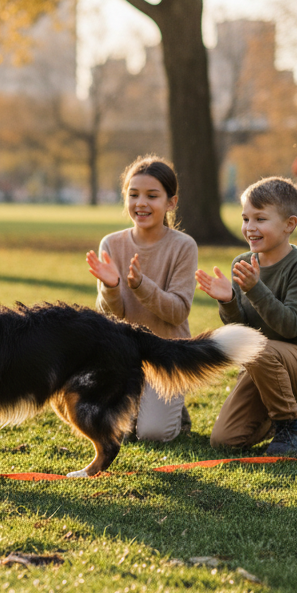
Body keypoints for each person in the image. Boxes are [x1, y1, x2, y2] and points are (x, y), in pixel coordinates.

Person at [195, 176, 297, 455]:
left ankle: (290, 428)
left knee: (258, 350)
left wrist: (255, 289)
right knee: (225, 440)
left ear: (289, 225)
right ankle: (296, 413)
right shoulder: (242, 263)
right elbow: (242, 334)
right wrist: (230, 300)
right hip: (262, 361)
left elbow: (291, 326)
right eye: (246, 218)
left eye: (260, 219)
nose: (249, 228)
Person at [85, 155, 197, 441]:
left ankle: (173, 411)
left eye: (152, 196)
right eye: (133, 195)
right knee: (113, 430)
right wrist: (111, 286)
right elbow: (110, 318)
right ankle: (144, 405)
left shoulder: (183, 247)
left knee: (152, 434)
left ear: (171, 203)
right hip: (123, 358)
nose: (141, 203)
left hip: (166, 357)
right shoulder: (112, 243)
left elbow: (178, 313)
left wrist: (141, 285)